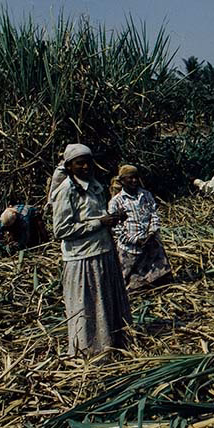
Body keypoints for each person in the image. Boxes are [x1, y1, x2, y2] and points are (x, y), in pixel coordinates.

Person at [51, 143, 132, 356]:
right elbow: (61, 230)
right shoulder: (66, 190)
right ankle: (88, 351)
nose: (86, 167)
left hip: (103, 252)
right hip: (82, 258)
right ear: (69, 166)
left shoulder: (94, 185)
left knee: (105, 302)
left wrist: (112, 218)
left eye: (88, 162)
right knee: (87, 306)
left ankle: (112, 344)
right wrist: (99, 223)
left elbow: (95, 215)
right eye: (80, 163)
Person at [108, 165, 172, 291]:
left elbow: (154, 214)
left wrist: (152, 233)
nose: (134, 180)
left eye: (136, 177)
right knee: (129, 280)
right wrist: (135, 240)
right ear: (122, 181)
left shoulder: (146, 195)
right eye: (130, 178)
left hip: (150, 242)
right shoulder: (116, 201)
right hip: (130, 247)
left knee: (160, 277)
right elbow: (116, 228)